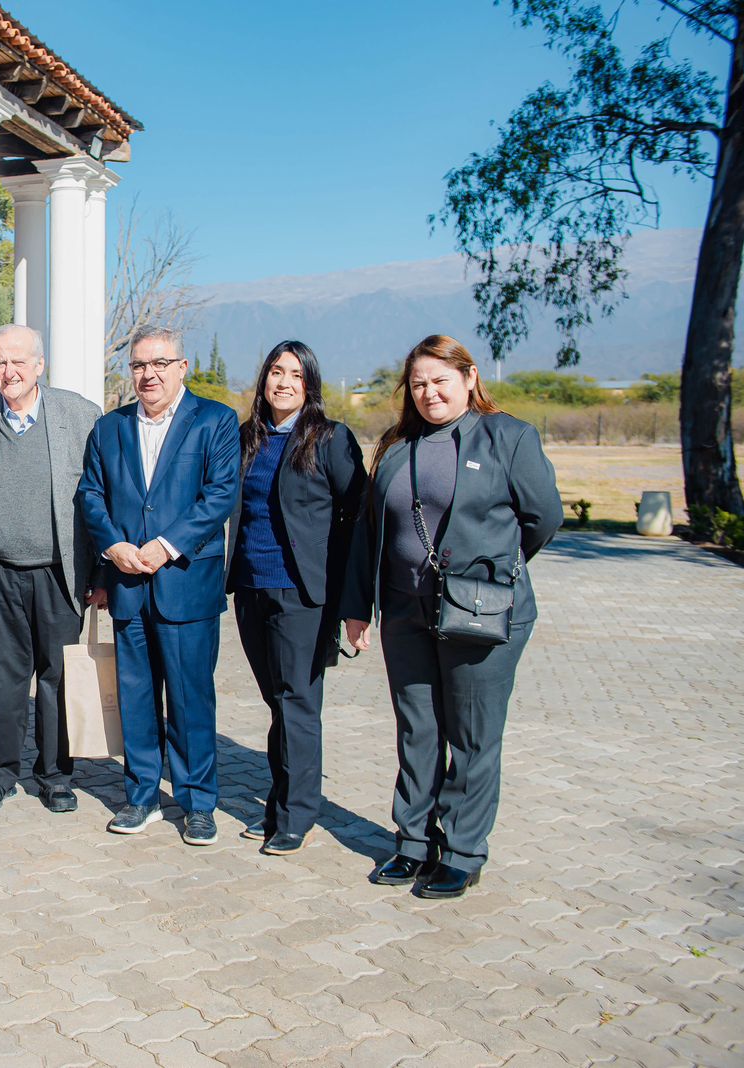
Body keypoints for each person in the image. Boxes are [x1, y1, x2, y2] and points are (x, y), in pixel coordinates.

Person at [341, 334, 562, 899]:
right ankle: (413, 842)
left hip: (480, 613)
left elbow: (542, 518)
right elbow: (371, 530)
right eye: (418, 383)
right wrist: (358, 609)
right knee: (417, 729)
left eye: (440, 380)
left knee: (471, 735)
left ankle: (463, 850)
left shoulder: (508, 437)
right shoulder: (396, 446)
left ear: (469, 378)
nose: (429, 392)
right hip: (405, 610)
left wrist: (492, 576)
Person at [78, 325, 241, 846]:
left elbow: (220, 494)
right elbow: (90, 494)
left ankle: (197, 802)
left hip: (185, 583)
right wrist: (113, 546)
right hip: (127, 584)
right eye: (140, 365)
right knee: (137, 697)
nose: (149, 374)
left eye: (159, 364)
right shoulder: (109, 428)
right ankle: (142, 794)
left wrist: (166, 544)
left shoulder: (215, 421)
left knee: (192, 699)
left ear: (182, 367)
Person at [0, 324, 101, 814]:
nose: (8, 371)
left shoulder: (80, 415)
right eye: (0, 361)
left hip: (60, 574)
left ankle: (56, 775)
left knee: (57, 676)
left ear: (40, 365)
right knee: (4, 677)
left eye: (19, 361)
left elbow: (99, 501)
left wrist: (98, 578)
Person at [226, 341, 365, 856]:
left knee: (297, 703)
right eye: (275, 372)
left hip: (302, 593)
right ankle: (279, 802)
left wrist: (353, 600)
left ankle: (296, 814)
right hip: (251, 588)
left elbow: (358, 516)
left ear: (310, 384)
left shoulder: (330, 440)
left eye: (295, 374)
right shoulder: (248, 438)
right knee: (276, 701)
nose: (283, 382)